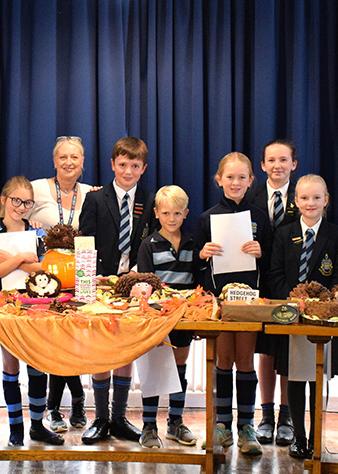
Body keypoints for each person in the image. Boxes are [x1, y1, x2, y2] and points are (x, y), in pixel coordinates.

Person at [78, 136, 159, 444]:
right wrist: (87, 283)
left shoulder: (150, 200)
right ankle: (99, 418)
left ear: (143, 168)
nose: (128, 171)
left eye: (134, 166)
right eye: (122, 164)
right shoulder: (96, 200)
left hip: (135, 287)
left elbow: (151, 243)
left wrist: (144, 277)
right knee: (101, 351)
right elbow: (84, 244)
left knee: (125, 351)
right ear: (112, 165)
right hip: (100, 284)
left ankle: (120, 418)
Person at [267, 174, 338, 459]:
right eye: (304, 198)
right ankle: (298, 436)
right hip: (291, 318)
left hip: (323, 319)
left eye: (316, 197)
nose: (310, 203)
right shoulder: (283, 233)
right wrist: (293, 302)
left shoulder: (337, 235)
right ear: (296, 201)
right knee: (294, 376)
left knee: (317, 377)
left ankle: (316, 436)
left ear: (326, 200)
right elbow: (275, 275)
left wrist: (317, 304)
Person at [194, 152, 272, 455]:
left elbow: (272, 263)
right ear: (219, 179)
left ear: (251, 180)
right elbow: (196, 269)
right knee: (223, 361)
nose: (236, 182)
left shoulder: (260, 218)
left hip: (251, 301)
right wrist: (202, 255)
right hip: (221, 304)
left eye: (242, 177)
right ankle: (222, 426)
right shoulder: (206, 218)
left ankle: (246, 427)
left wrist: (260, 252)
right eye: (230, 177)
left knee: (246, 362)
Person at [0, 176, 63, 446]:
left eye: (28, 202)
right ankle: (15, 427)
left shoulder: (37, 233)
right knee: (10, 364)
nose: (22, 206)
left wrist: (12, 262)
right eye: (16, 200)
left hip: (36, 305)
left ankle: (37, 425)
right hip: (6, 306)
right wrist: (21, 259)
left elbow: (45, 271)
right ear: (4, 199)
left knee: (37, 364)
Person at [28, 136, 91, 433]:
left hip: (79, 281)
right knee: (52, 347)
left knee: (71, 347)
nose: (68, 162)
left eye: (74, 157)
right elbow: (14, 219)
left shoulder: (92, 194)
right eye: (63, 157)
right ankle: (68, 403)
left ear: (82, 162)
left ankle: (63, 405)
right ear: (54, 161)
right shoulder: (36, 188)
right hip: (42, 281)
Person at [135, 185, 198, 448]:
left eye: (177, 213)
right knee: (154, 369)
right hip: (157, 318)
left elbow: (198, 282)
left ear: (185, 213)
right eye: (166, 213)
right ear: (156, 214)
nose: (171, 219)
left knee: (179, 368)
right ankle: (149, 426)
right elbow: (147, 284)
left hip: (183, 318)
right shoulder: (148, 245)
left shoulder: (194, 244)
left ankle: (175, 422)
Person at [248, 139, 300, 447]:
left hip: (291, 286)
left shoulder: (305, 194)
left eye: (284, 160)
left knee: (288, 353)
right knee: (265, 352)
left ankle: (287, 415)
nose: (277, 165)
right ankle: (266, 415)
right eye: (271, 160)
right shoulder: (250, 196)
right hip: (259, 284)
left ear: (293, 164)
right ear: (263, 165)